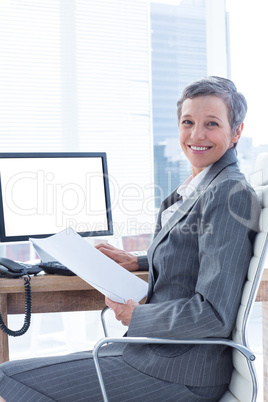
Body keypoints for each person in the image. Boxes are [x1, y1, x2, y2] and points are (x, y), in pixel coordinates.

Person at [0, 76, 260, 402]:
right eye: (188, 122)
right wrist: (137, 261)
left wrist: (135, 315)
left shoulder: (228, 194)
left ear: (236, 132)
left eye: (212, 123)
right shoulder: (202, 185)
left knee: (6, 381)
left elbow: (214, 315)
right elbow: (195, 254)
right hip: (153, 353)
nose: (196, 134)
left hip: (179, 371)